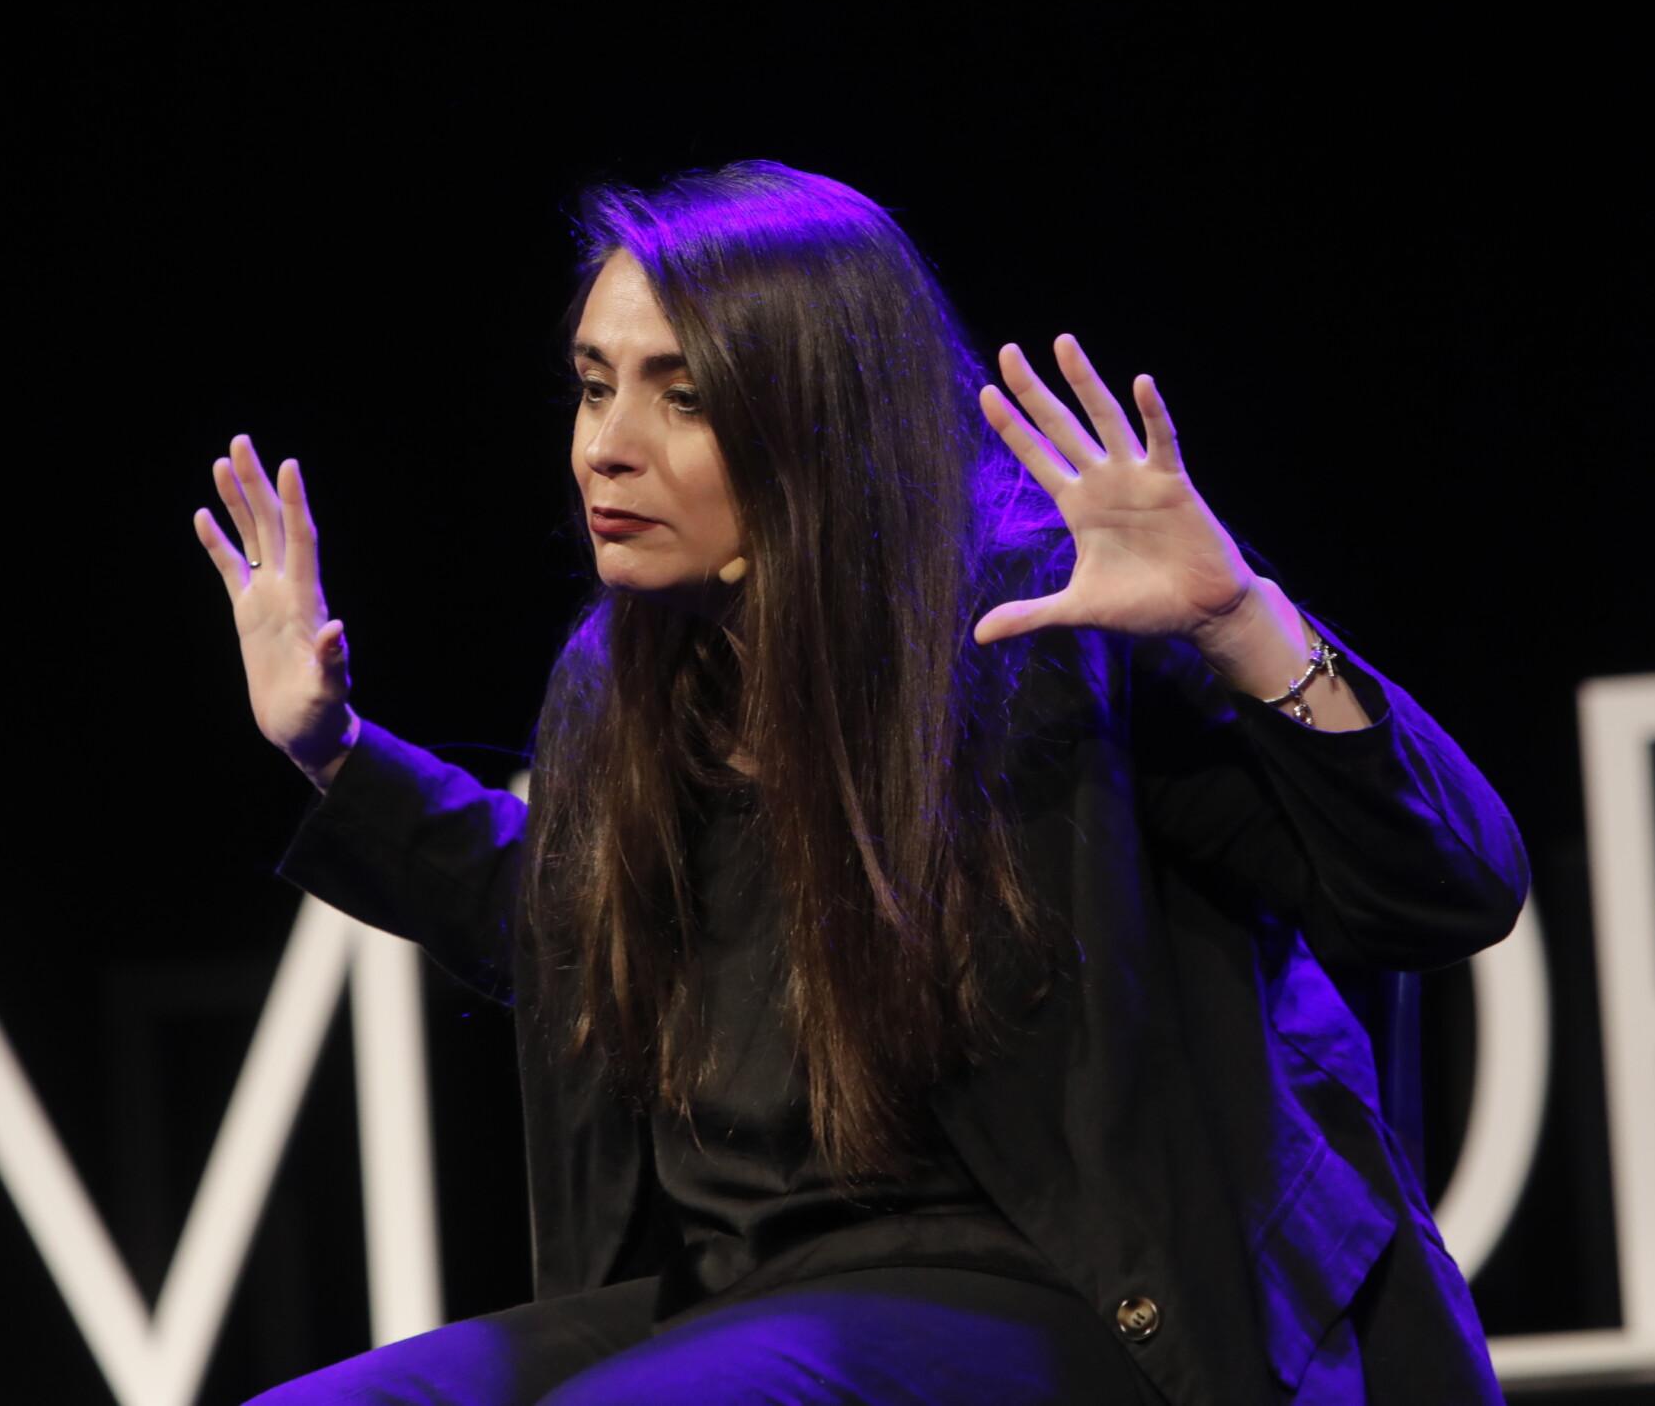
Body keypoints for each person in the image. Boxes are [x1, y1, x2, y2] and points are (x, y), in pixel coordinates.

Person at [193, 162, 1528, 1404]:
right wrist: (333, 749)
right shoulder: (622, 685)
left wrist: (1240, 621)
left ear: (817, 423)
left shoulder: (1044, 644)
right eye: (595, 385)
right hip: (746, 1291)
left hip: (1075, 1290)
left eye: (684, 396)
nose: (607, 444)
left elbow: (1445, 891)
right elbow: (567, 924)